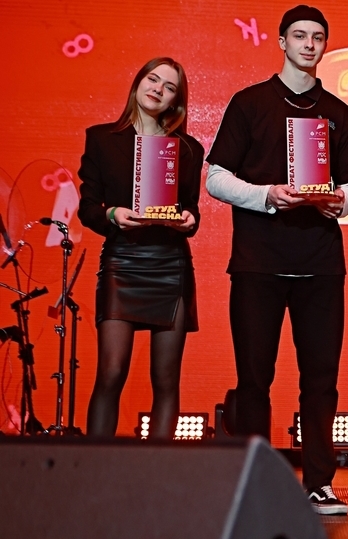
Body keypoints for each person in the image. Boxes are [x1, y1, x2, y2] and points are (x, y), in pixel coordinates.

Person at [204, 5, 348, 515]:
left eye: (317, 37)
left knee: (321, 380)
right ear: (281, 42)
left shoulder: (339, 113)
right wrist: (267, 195)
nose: (309, 44)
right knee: (254, 379)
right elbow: (216, 177)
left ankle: (319, 483)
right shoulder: (249, 102)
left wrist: (341, 201)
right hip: (258, 262)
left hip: (321, 263)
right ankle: (255, 482)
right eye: (299, 35)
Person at [79, 57, 201, 441]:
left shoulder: (187, 149)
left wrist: (190, 219)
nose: (158, 89)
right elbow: (88, 208)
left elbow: (191, 208)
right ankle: (96, 468)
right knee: (111, 372)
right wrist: (112, 214)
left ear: (176, 100)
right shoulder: (102, 138)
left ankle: (158, 471)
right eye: (153, 79)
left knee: (165, 379)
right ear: (137, 83)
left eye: (169, 87)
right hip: (122, 261)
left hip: (170, 265)